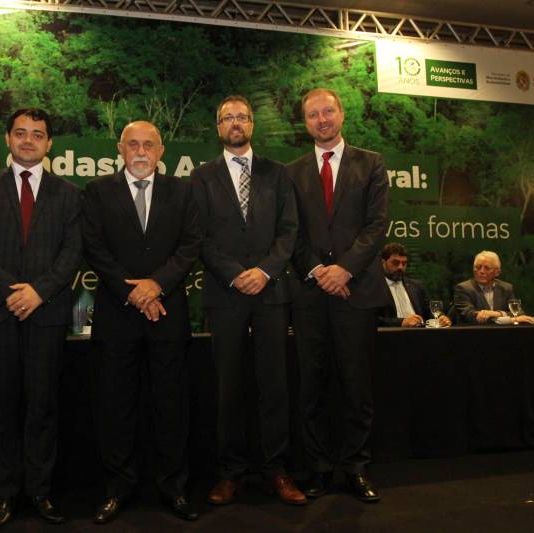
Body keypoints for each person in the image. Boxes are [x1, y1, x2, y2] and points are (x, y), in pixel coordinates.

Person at [0, 107, 82, 530]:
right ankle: (6, 495)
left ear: (50, 144)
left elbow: (71, 253)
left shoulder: (68, 194)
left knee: (43, 408)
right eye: (20, 133)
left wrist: (39, 292)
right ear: (7, 139)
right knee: (1, 408)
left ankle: (40, 492)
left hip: (46, 314)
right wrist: (11, 292)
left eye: (38, 134)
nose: (28, 140)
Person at [82, 120, 202, 524]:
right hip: (118, 314)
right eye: (132, 144)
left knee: (171, 405)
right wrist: (132, 291)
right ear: (119, 148)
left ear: (161, 150)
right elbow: (94, 248)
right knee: (116, 406)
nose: (140, 151)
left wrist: (156, 285)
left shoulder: (183, 192)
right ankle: (118, 488)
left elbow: (190, 246)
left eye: (148, 144)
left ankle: (174, 487)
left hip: (167, 313)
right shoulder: (98, 192)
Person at [191, 96, 303, 506]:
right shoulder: (201, 177)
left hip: (271, 293)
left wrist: (265, 271)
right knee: (228, 387)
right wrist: (235, 274)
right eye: (227, 118)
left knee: (274, 385)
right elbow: (199, 236)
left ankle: (276, 470)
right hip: (225, 295)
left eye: (241, 117)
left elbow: (289, 230)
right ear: (218, 128)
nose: (235, 124)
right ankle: (230, 472)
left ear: (252, 124)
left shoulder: (278, 173)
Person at [287, 88, 389, 503]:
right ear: (305, 122)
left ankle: (356, 467)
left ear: (341, 114)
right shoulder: (290, 173)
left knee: (356, 385)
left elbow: (376, 225)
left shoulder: (372, 163)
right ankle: (319, 468)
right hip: (310, 295)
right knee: (312, 386)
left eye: (328, 111)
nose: (322, 119)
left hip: (356, 291)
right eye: (313, 114)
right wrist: (318, 271)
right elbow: (289, 232)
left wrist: (344, 269)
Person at [378, 243, 452, 327]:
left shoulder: (416, 286)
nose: (400, 267)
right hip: (389, 336)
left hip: (419, 334)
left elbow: (431, 311)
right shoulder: (374, 287)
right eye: (395, 263)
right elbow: (372, 319)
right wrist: (401, 323)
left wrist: (441, 317)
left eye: (404, 263)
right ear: (383, 262)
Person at [453, 250, 533, 324]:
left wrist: (496, 313)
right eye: (478, 267)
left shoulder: (506, 288)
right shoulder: (463, 288)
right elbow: (471, 316)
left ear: (497, 272)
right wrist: (511, 320)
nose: (481, 271)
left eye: (487, 268)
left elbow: (519, 312)